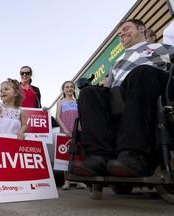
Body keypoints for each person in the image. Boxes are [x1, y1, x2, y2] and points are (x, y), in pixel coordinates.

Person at [70, 19, 174, 178]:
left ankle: (134, 155)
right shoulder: (117, 61)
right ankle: (100, 157)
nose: (122, 34)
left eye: (126, 29)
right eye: (119, 34)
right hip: (121, 94)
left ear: (141, 28)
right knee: (88, 93)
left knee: (142, 72)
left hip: (148, 86)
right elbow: (109, 88)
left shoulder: (161, 47)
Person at [56, 81, 87, 190]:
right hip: (65, 130)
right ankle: (67, 181)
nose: (69, 89)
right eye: (67, 87)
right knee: (65, 156)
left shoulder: (77, 102)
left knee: (77, 155)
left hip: (77, 129)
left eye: (71, 87)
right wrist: (65, 129)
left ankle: (79, 181)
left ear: (74, 89)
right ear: (63, 90)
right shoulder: (60, 102)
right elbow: (58, 117)